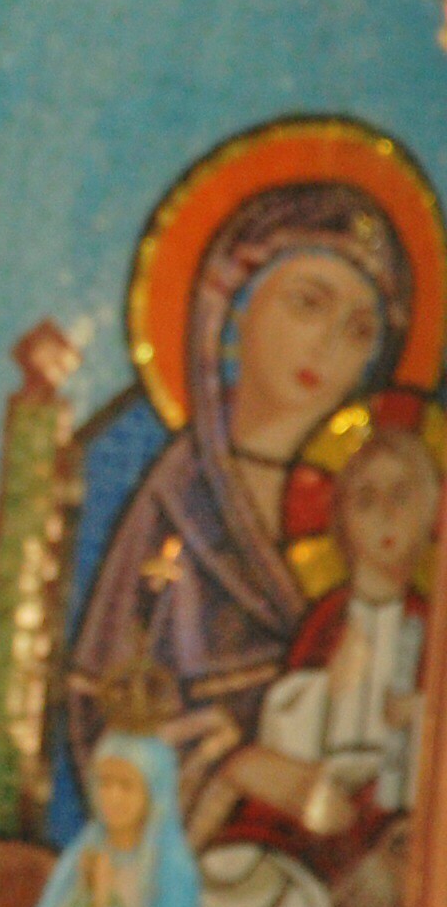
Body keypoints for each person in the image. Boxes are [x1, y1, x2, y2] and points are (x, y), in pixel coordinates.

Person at [68, 182, 412, 800]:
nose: (328, 346)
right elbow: (102, 712)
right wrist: (236, 764)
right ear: (235, 310)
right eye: (308, 303)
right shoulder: (179, 495)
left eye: (359, 330)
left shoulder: (379, 497)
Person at [190, 419, 438, 907]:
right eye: (366, 501)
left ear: (430, 512)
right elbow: (284, 724)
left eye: (401, 497)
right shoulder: (329, 619)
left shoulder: (428, 623)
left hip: (385, 810)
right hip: (306, 800)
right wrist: (328, 688)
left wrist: (419, 713)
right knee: (237, 872)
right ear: (343, 523)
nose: (385, 516)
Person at [33, 731, 200, 907]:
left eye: (126, 785)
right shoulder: (83, 852)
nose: (113, 797)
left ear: (153, 795)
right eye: (104, 782)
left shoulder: (170, 867)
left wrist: (103, 903)